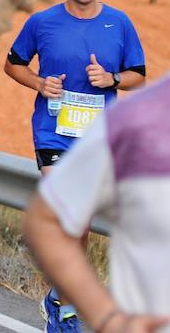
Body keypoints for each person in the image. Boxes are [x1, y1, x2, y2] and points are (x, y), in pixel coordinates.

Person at [4, 0, 146, 332]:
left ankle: (57, 297)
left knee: (80, 225)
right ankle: (66, 312)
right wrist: (39, 82)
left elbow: (139, 75)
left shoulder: (118, 23)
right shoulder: (42, 23)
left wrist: (113, 79)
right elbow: (12, 64)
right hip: (53, 133)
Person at [23, 76, 170, 333]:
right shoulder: (138, 117)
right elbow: (46, 221)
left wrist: (112, 77)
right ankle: (63, 305)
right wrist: (104, 316)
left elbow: (136, 73)